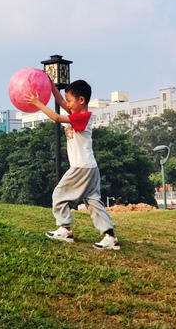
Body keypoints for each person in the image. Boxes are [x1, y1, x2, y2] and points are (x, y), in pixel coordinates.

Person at [26, 78, 120, 250]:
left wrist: (37, 103)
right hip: (90, 167)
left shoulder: (83, 117)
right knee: (94, 202)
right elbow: (60, 100)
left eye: (70, 101)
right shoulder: (77, 114)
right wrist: (50, 85)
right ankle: (110, 237)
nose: (67, 104)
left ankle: (65, 229)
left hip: (81, 167)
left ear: (81, 100)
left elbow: (55, 117)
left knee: (59, 195)